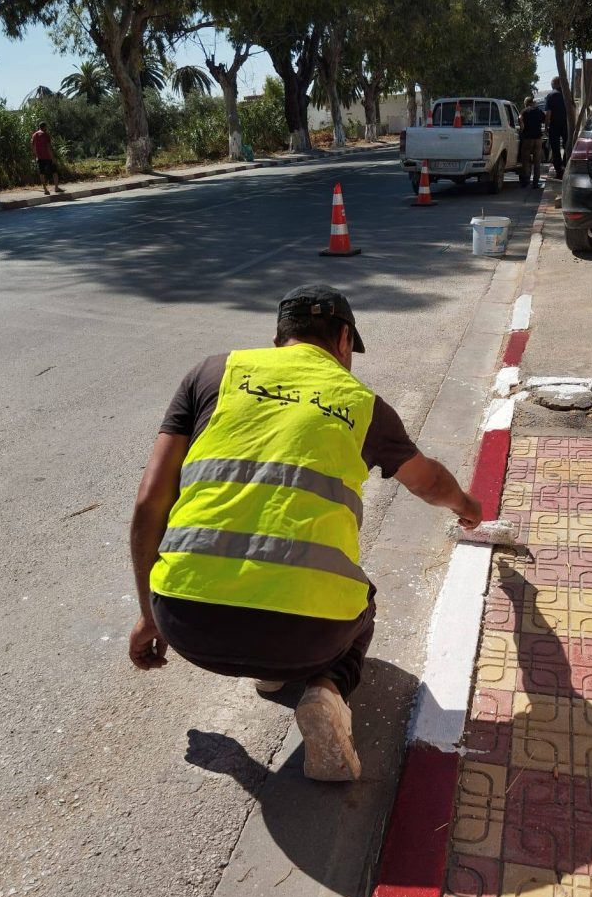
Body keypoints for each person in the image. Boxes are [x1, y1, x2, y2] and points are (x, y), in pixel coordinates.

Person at [129, 285, 482, 782]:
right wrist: (468, 507)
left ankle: (271, 675)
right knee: (362, 600)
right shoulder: (363, 405)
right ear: (344, 340)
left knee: (252, 573)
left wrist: (149, 617)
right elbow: (430, 483)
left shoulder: (211, 374)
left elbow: (149, 504)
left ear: (279, 339)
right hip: (308, 637)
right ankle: (327, 689)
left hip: (185, 623)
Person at [518, 96, 546, 188]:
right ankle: (535, 182)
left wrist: (521, 130)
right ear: (532, 103)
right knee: (537, 161)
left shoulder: (524, 111)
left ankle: (526, 180)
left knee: (525, 160)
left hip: (527, 139)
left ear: (526, 103)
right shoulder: (539, 111)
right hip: (538, 139)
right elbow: (545, 119)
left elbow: (520, 120)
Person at [544, 77, 568, 179]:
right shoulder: (567, 94)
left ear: (554, 83)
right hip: (566, 124)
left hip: (554, 125)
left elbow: (548, 113)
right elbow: (573, 109)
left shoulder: (551, 95)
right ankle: (566, 166)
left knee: (555, 148)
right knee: (567, 145)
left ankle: (559, 170)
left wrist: (546, 126)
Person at [30, 122, 63, 195]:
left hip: (40, 157)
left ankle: (45, 189)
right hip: (48, 157)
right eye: (46, 127)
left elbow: (33, 146)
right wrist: (53, 158)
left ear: (39, 127)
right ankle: (56, 188)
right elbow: (48, 147)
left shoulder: (34, 135)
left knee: (42, 173)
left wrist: (36, 155)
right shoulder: (45, 135)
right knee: (54, 172)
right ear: (44, 127)